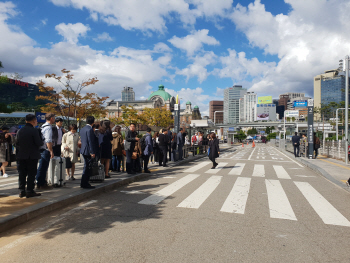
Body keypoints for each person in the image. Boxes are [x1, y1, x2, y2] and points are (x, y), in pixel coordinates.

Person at [16, 114, 44, 198]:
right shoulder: (34, 130)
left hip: (21, 155)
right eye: (36, 120)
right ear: (33, 121)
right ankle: (29, 190)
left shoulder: (20, 130)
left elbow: (16, 142)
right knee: (31, 173)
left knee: (22, 173)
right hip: (32, 155)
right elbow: (38, 143)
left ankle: (21, 191)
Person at [36, 113, 55, 190]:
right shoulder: (48, 128)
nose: (54, 119)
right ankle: (41, 183)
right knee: (43, 167)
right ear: (51, 118)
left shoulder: (43, 126)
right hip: (45, 150)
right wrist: (51, 151)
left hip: (41, 149)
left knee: (41, 166)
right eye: (54, 118)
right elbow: (48, 141)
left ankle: (40, 182)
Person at [80, 116, 98, 189]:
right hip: (88, 150)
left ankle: (83, 182)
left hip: (83, 149)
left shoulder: (83, 129)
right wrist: (92, 152)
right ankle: (85, 183)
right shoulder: (90, 129)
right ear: (93, 122)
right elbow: (90, 141)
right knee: (87, 167)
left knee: (86, 166)